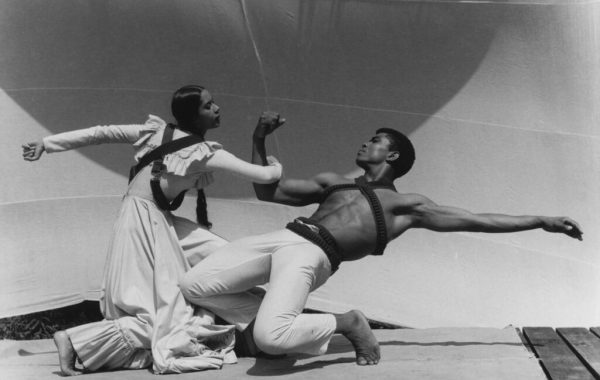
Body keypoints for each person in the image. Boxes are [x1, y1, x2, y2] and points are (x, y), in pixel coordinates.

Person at [179, 122, 583, 366]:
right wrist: (259, 139)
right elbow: (269, 193)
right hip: (284, 235)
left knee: (270, 340)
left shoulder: (405, 206)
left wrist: (541, 220)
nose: (365, 144)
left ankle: (347, 323)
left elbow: (479, 220)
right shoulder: (332, 181)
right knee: (193, 286)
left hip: (314, 254)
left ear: (390, 154)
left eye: (374, 141)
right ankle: (275, 315)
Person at [21, 85, 283, 375]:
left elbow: (100, 132)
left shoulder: (156, 134)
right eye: (208, 106)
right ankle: (73, 340)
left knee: (216, 260)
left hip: (143, 218)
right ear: (194, 118)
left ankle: (256, 316)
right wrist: (272, 159)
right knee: (163, 318)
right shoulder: (203, 152)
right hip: (145, 225)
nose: (217, 108)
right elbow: (264, 175)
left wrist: (47, 143)